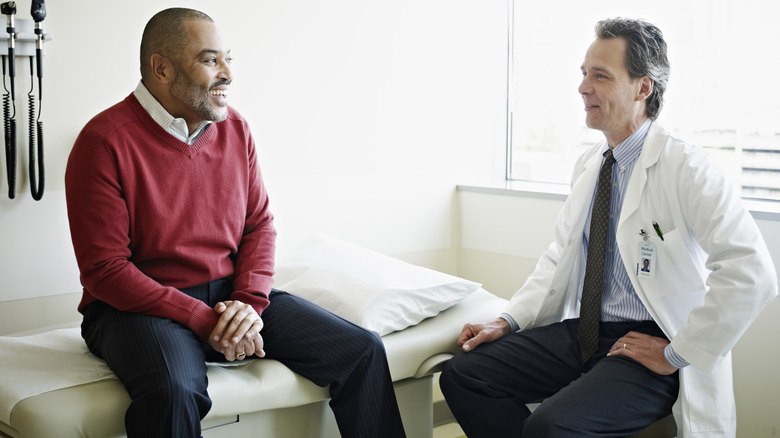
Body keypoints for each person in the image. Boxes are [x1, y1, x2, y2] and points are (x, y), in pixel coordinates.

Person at [64, 8, 406, 438]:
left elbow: (259, 225)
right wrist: (202, 319)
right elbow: (105, 270)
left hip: (229, 295)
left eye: (229, 58)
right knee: (174, 390)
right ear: (162, 68)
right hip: (137, 308)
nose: (227, 73)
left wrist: (248, 303)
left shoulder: (236, 129)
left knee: (363, 350)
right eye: (210, 60)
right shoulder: (103, 141)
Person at [440, 17, 777, 438]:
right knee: (464, 375)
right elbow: (558, 256)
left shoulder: (688, 168)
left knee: (549, 426)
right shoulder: (590, 165)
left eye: (600, 75)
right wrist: (507, 320)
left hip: (650, 343)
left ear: (643, 87)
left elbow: (753, 273)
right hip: (585, 333)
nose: (583, 87)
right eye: (584, 74)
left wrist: (676, 353)